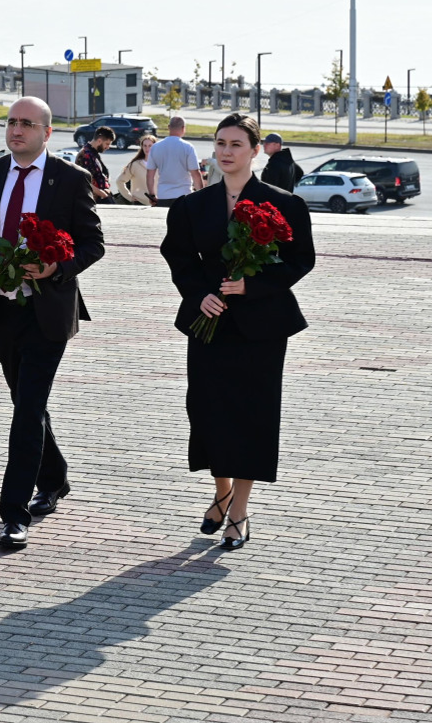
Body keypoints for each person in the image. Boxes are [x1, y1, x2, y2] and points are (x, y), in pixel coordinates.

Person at [159, 113, 315, 551]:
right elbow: (179, 257)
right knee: (208, 412)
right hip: (209, 323)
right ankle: (221, 491)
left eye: (235, 144)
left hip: (262, 327)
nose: (226, 151)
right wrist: (197, 296)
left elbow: (301, 259)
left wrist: (253, 285)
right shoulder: (194, 204)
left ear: (254, 149)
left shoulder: (284, 203)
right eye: (220, 143)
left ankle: (239, 511)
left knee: (252, 417)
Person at [0, 97, 105, 551]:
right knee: (27, 402)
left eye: (26, 124)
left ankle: (13, 513)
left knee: (26, 410)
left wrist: (56, 268)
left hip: (48, 311)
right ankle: (55, 478)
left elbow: (93, 243)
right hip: (2, 307)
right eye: (11, 122)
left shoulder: (70, 180)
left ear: (47, 133)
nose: (16, 130)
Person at [145, 116, 203, 206]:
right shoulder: (188, 147)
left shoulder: (155, 147)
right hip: (184, 195)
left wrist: (152, 195)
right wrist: (201, 195)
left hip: (163, 195)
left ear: (168, 127)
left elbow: (150, 174)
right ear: (183, 128)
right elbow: (196, 174)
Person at [73, 126, 115, 201]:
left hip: (100, 198)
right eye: (107, 144)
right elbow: (84, 182)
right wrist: (103, 194)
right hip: (90, 201)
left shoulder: (94, 153)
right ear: (99, 141)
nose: (108, 147)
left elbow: (103, 174)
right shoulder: (85, 155)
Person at [117, 135, 157, 206]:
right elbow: (119, 181)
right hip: (139, 204)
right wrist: (129, 197)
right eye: (145, 145)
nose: (147, 148)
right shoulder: (135, 164)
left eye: (150, 146)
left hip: (157, 204)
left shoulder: (160, 164)